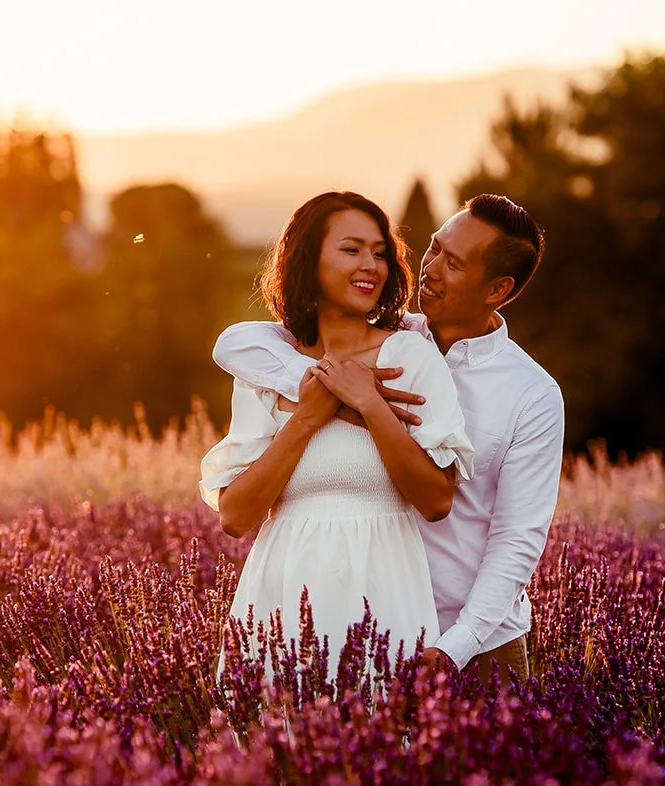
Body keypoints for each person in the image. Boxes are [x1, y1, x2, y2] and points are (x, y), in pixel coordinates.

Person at [214, 194, 563, 683]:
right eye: (435, 249)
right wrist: (325, 385)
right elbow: (234, 344)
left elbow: (516, 541)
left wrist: (453, 649)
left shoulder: (532, 393)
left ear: (496, 289)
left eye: (454, 264)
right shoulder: (398, 337)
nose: (432, 269)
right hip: (360, 615)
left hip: (472, 639)